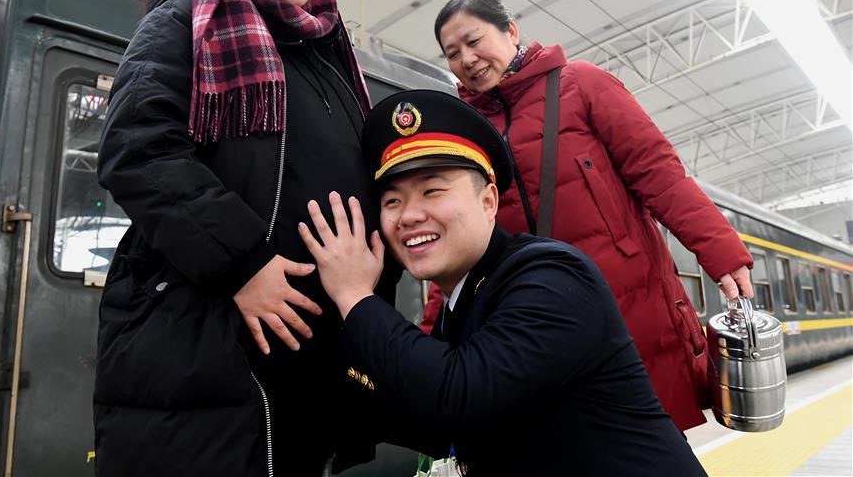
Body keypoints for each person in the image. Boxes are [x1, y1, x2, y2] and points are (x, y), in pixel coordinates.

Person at [93, 0, 398, 476]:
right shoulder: (185, 24)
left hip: (306, 361)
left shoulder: (321, 50)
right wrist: (243, 263)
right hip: (211, 346)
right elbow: (137, 147)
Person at [298, 89, 708, 476]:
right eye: (392, 201)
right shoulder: (466, 300)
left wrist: (355, 296)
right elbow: (435, 428)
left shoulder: (552, 278)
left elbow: (456, 398)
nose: (409, 215)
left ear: (488, 201)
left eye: (433, 191)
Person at [421, 0, 754, 431]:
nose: (467, 58)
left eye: (474, 40)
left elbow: (659, 173)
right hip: (534, 317)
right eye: (453, 53)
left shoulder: (582, 84)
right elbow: (460, 240)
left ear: (511, 31)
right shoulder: (464, 132)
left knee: (643, 447)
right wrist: (431, 333)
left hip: (626, 301)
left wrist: (723, 254)